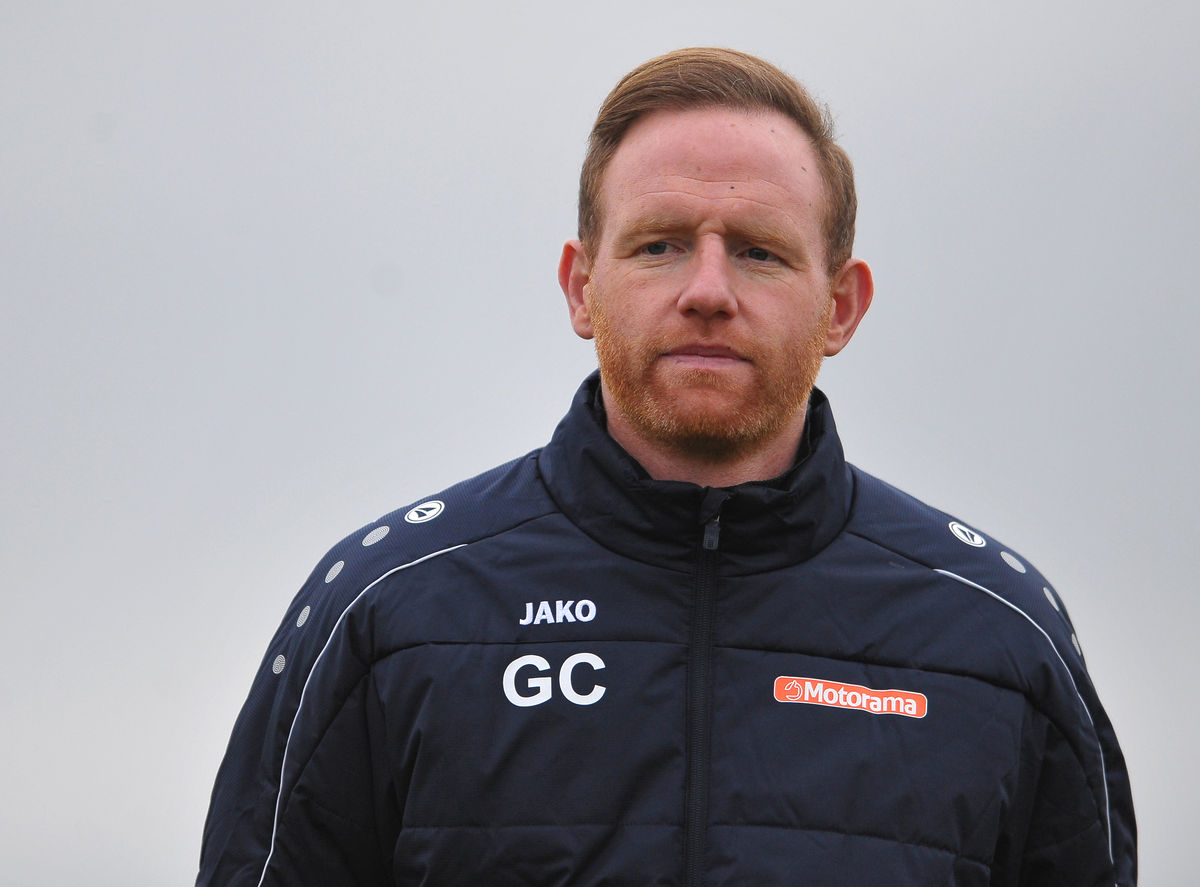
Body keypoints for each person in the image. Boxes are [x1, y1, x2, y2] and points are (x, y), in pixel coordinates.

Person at [196, 47, 1136, 886]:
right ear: (582, 287)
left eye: (761, 253)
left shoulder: (997, 639)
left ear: (842, 306)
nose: (708, 292)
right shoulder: (389, 610)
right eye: (661, 245)